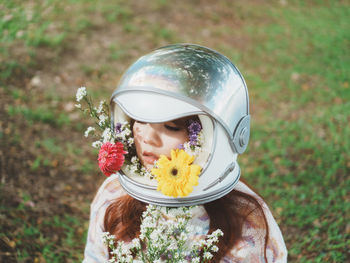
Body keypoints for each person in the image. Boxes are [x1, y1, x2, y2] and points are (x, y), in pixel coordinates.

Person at [83, 44, 287, 262]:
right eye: (140, 120)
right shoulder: (113, 196)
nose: (147, 138)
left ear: (207, 139)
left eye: (171, 127)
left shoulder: (246, 222)